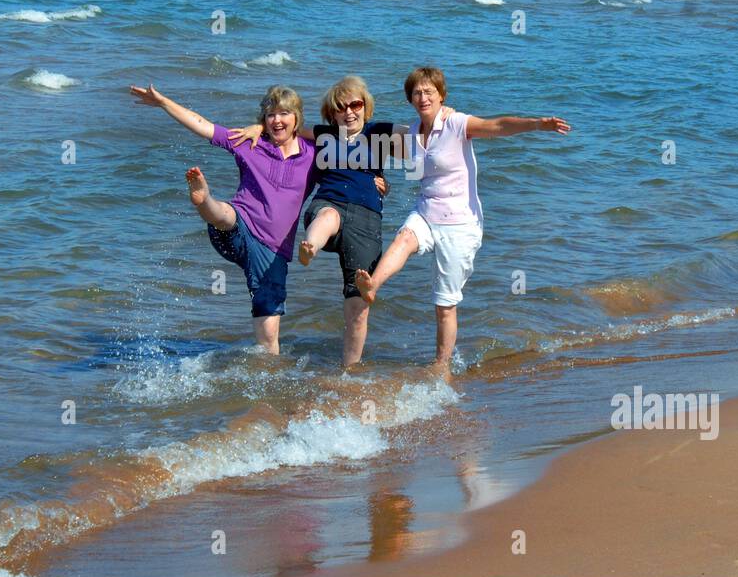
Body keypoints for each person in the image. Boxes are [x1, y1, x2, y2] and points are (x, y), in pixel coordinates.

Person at [353, 66, 570, 378]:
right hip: (426, 211)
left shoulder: (456, 124)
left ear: (441, 96)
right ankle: (372, 284)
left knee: (444, 305)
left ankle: (441, 367)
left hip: (460, 225)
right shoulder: (410, 133)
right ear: (410, 99)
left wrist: (538, 124)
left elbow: (497, 125)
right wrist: (374, 177)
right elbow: (360, 149)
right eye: (417, 92)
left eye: (429, 91)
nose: (422, 96)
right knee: (403, 238)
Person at [229, 76, 423, 367]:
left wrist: (440, 117)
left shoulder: (378, 133)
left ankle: (350, 370)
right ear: (331, 114)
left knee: (359, 303)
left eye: (355, 104)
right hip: (328, 204)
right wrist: (259, 126)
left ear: (365, 106)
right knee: (328, 217)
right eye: (340, 107)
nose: (349, 112)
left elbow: (419, 135)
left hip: (366, 219)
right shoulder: (323, 136)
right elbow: (284, 129)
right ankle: (310, 246)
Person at [128, 81, 315, 353]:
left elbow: (348, 147)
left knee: (269, 335)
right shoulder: (249, 143)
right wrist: (164, 103)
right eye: (270, 114)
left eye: (284, 113)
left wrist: (380, 181)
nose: (277, 120)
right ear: (263, 118)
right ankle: (205, 200)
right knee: (227, 215)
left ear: (297, 117)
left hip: (274, 251)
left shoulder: (313, 153)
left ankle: (270, 378)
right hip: (239, 227)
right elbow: (204, 126)